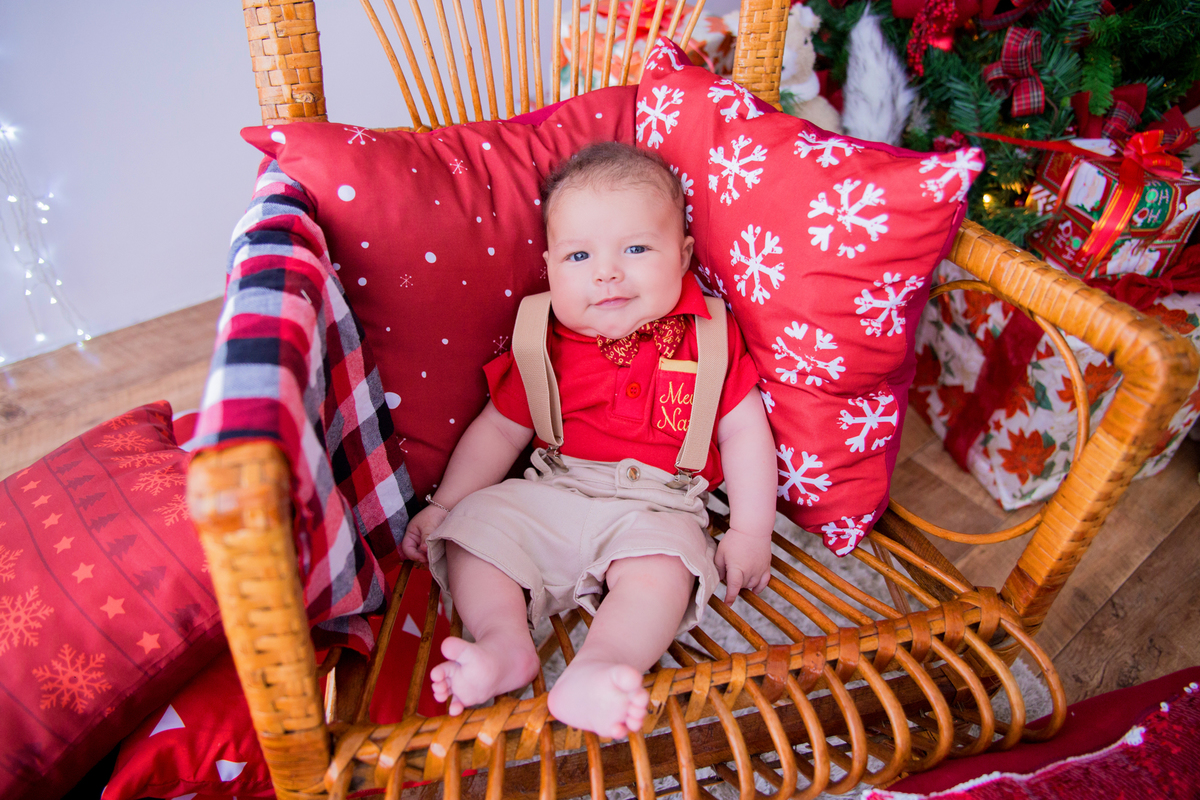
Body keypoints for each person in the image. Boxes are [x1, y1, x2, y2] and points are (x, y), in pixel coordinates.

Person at [401, 142, 776, 739]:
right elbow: (498, 431)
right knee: (475, 526)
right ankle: (504, 643)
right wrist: (446, 503)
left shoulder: (707, 339)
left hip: (660, 503)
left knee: (664, 568)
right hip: (556, 486)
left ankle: (603, 665)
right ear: (548, 265)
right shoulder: (542, 342)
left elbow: (745, 431)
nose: (606, 271)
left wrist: (751, 530)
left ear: (682, 256)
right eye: (579, 254)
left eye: (635, 248)